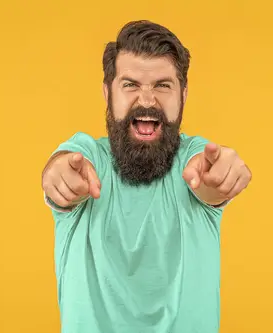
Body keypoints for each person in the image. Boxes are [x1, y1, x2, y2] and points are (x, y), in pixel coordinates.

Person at [41, 20, 252, 333]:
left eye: (163, 86)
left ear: (184, 94)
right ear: (107, 93)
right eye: (130, 85)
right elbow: (61, 167)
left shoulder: (193, 160)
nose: (148, 100)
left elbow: (207, 180)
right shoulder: (87, 157)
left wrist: (221, 177)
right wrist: (60, 176)